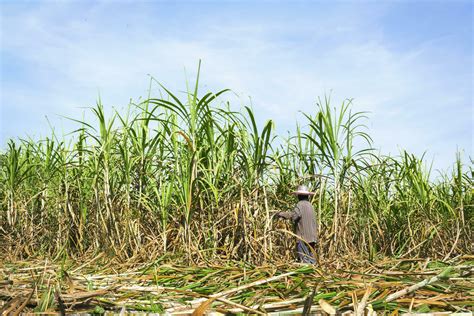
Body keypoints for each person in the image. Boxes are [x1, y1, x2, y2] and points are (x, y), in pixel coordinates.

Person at [275, 185, 318, 264]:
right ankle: (314, 274)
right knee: (311, 258)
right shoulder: (311, 206)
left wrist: (281, 214)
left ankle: (306, 274)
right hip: (312, 237)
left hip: (303, 237)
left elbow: (295, 216)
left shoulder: (300, 205)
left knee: (304, 260)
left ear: (299, 196)